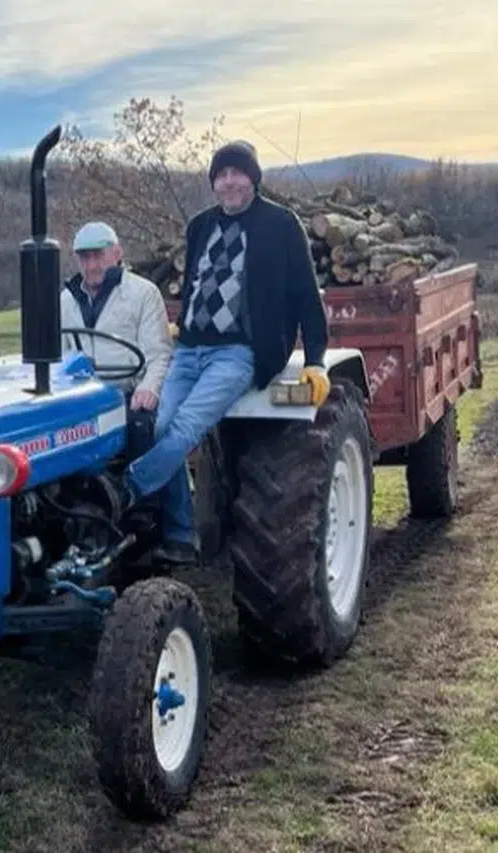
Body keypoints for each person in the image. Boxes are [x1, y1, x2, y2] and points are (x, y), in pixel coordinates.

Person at [113, 140, 331, 564]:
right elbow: (197, 282)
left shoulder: (281, 224)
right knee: (155, 427)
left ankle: (126, 492)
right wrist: (186, 324)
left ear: (253, 178)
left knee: (188, 428)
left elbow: (306, 295)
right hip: (190, 349)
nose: (230, 182)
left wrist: (316, 361)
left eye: (238, 173)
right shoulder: (199, 226)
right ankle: (180, 533)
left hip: (238, 354)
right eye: (222, 174)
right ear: (214, 182)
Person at [60, 221, 173, 414]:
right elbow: (60, 355)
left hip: (127, 394)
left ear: (117, 254)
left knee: (151, 425)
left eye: (99, 256)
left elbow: (159, 354)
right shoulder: (66, 300)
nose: (92, 265)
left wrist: (149, 388)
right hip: (82, 395)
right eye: (85, 258)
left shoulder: (143, 293)